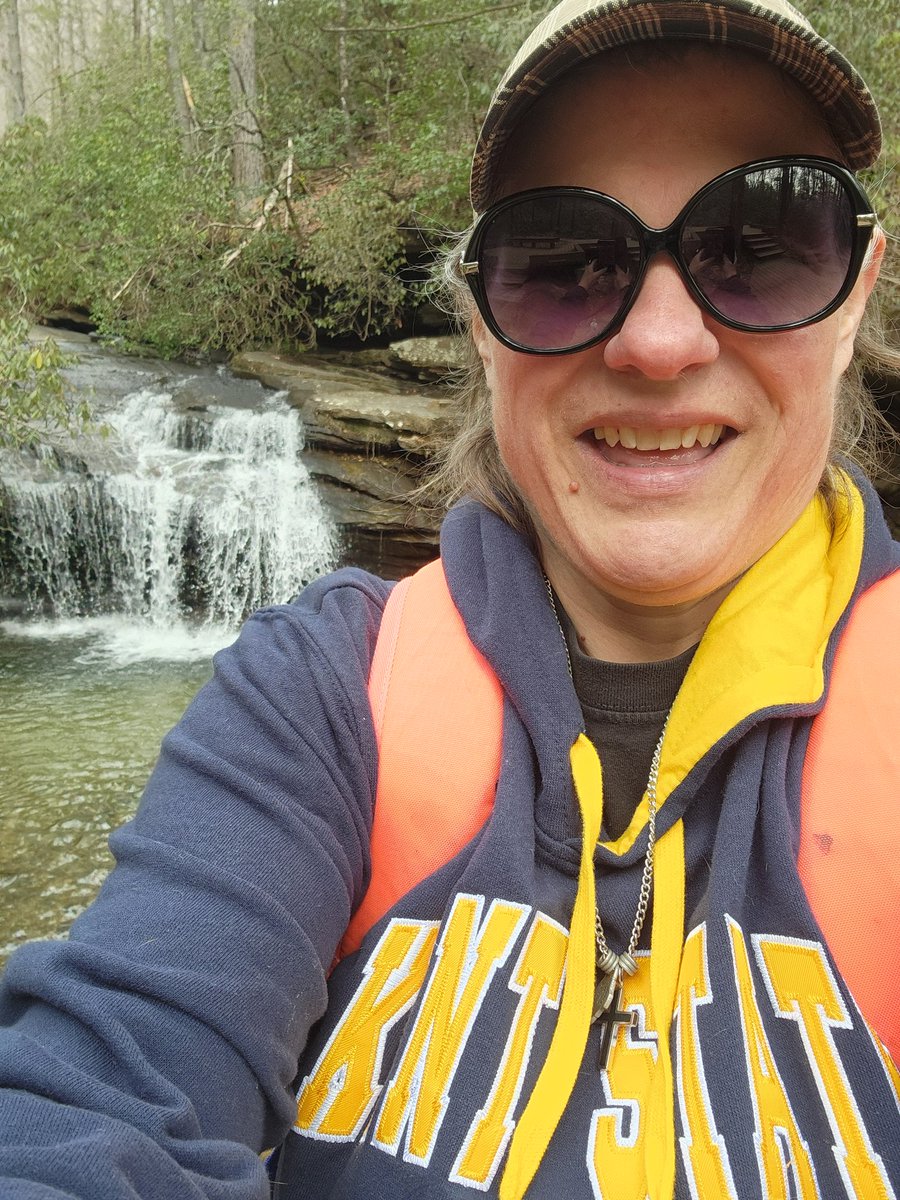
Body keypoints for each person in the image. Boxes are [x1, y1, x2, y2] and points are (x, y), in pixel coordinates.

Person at [1, 0, 898, 1196]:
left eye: (761, 246)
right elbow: (96, 1097)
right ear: (479, 320)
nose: (661, 342)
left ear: (856, 293)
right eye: (566, 262)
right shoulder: (321, 696)